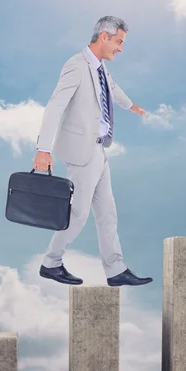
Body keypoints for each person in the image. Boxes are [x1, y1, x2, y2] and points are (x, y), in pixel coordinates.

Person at [33, 16, 153, 287]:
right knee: (78, 214)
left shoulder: (100, 68)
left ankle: (115, 270)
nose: (120, 48)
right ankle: (51, 262)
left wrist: (131, 106)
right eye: (119, 42)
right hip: (81, 152)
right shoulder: (77, 65)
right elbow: (55, 106)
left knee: (107, 214)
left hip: (99, 151)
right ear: (104, 37)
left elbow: (112, 89)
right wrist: (43, 149)